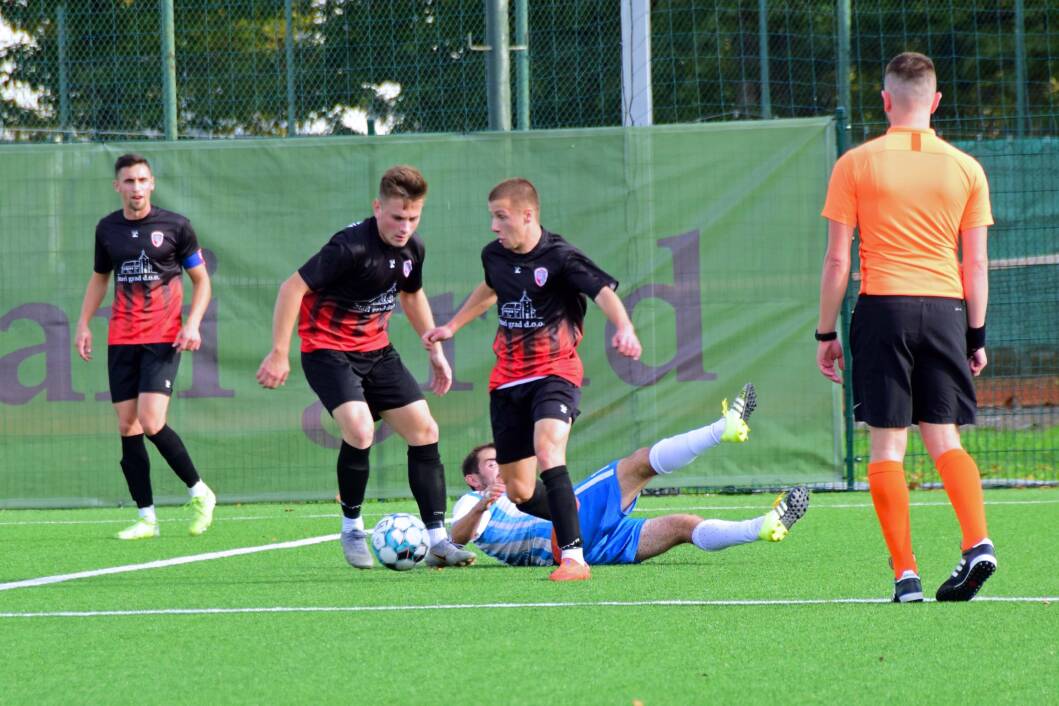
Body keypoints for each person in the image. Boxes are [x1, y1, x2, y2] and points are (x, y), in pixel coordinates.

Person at [816, 52, 996, 603]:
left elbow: (838, 261)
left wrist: (826, 334)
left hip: (884, 309)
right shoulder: (966, 168)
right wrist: (976, 336)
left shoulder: (856, 163)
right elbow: (975, 264)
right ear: (936, 102)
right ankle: (977, 542)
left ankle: (906, 575)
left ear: (885, 100)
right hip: (946, 311)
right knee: (944, 437)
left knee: (887, 446)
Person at [256, 165, 474, 570]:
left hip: (377, 351)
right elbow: (292, 288)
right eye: (397, 217)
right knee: (359, 430)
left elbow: (411, 295)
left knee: (425, 430)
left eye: (413, 218)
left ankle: (438, 540)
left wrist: (435, 350)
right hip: (327, 350)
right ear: (377, 208)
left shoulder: (413, 249)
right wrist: (279, 352)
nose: (404, 227)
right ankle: (352, 528)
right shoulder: (349, 247)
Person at [423, 178, 642, 582]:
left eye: (501, 217)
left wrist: (624, 326)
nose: (494, 226)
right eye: (492, 217)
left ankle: (574, 558)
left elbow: (603, 293)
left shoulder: (561, 257)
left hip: (555, 372)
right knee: (521, 492)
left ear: (527, 215)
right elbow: (490, 288)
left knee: (547, 447)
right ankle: (566, 506)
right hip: (507, 382)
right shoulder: (494, 255)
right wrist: (452, 326)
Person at [451, 383, 810, 568]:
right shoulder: (472, 501)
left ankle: (762, 527)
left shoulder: (523, 488)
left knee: (683, 526)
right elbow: (457, 538)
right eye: (492, 464)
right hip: (566, 532)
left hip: (587, 549)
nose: (503, 466)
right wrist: (483, 503)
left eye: (503, 460)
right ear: (473, 479)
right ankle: (723, 429)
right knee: (639, 464)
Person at [74, 153, 217, 540]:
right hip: (121, 337)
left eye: (142, 180)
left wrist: (192, 323)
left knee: (152, 420)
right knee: (128, 425)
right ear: (117, 186)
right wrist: (84, 323)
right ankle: (146, 518)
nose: (136, 188)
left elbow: (202, 281)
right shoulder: (107, 229)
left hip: (162, 336)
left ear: (152, 184)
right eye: (129, 181)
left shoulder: (176, 226)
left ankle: (200, 492)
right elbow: (100, 278)